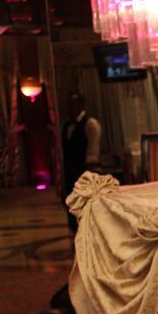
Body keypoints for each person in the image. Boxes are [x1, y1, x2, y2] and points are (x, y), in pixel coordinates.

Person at [61, 92, 101, 233]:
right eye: (68, 105)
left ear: (81, 105)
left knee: (85, 208)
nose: (69, 108)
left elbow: (93, 152)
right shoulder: (66, 125)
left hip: (84, 172)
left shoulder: (90, 124)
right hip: (69, 172)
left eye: (73, 104)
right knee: (71, 207)